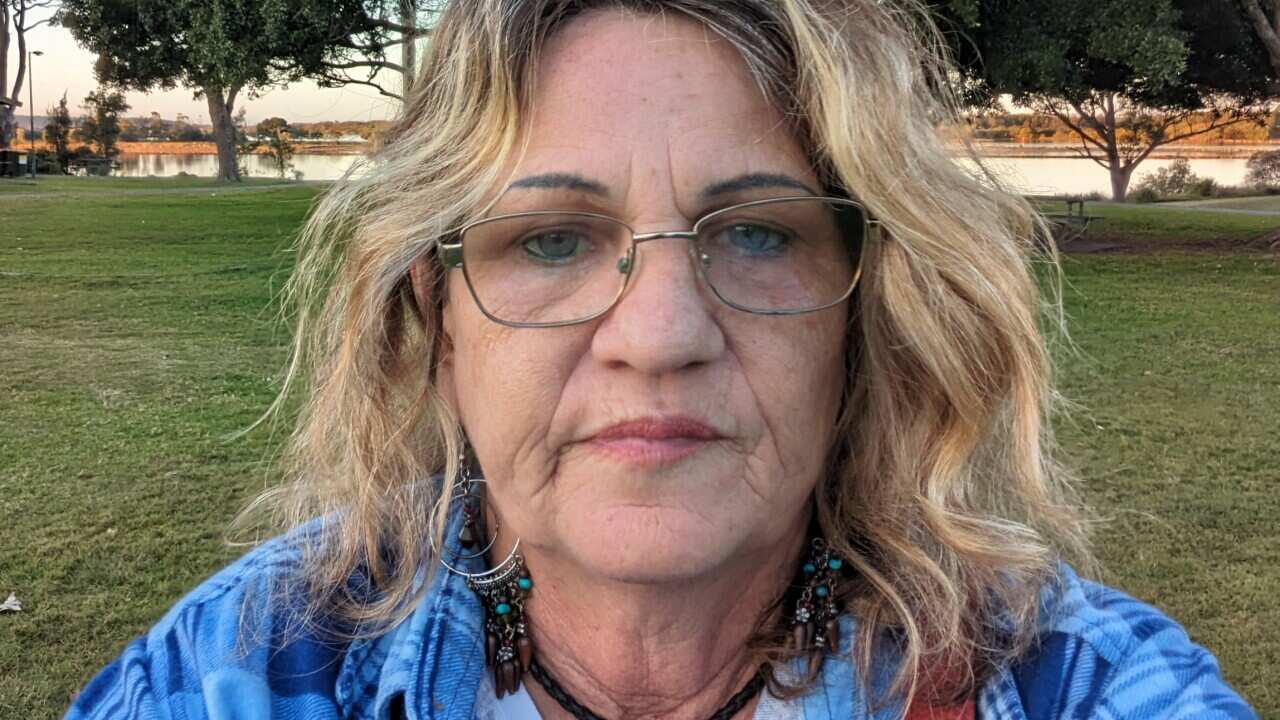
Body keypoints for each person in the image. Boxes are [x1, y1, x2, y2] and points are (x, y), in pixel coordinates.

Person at [67, 1, 1257, 718]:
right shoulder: (235, 676)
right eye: (547, 240)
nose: (660, 334)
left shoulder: (1065, 684)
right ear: (437, 325)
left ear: (864, 314)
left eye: (756, 233)